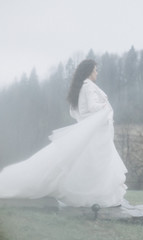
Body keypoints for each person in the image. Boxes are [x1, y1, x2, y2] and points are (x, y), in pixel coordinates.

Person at [0, 59, 127, 208]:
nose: (97, 73)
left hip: (92, 132)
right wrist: (104, 105)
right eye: (95, 70)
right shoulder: (88, 86)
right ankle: (92, 194)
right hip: (95, 134)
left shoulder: (81, 86)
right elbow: (92, 107)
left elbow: (76, 112)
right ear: (89, 72)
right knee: (89, 163)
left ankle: (93, 193)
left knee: (83, 163)